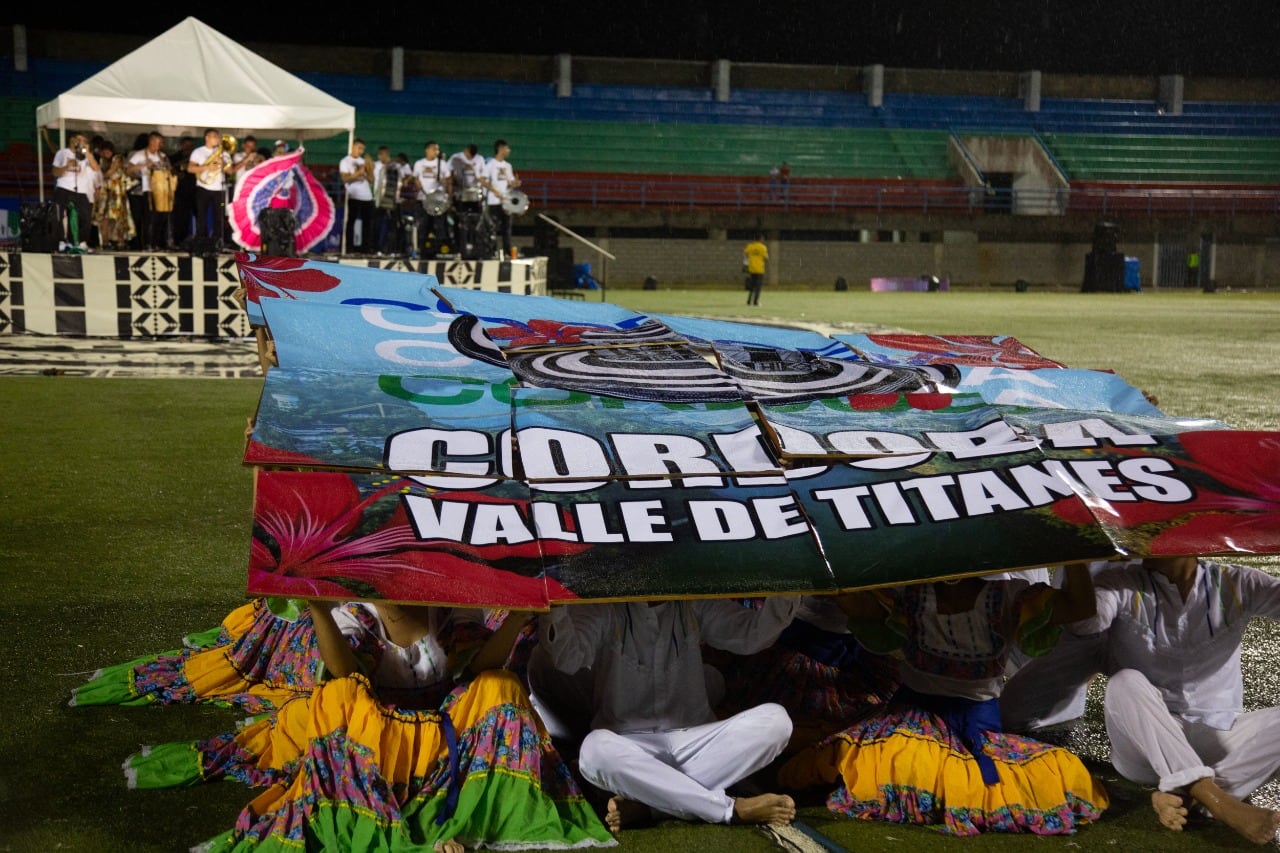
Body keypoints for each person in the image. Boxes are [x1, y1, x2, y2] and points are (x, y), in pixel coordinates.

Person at [120, 600, 615, 852]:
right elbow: (345, 674)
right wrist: (316, 608)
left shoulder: (448, 608)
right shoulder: (356, 615)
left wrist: (518, 617)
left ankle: (466, 822)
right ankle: (376, 811)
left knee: (501, 686)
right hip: (378, 739)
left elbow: (476, 672)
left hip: (444, 735)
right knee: (341, 695)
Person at [777, 567, 1109, 836]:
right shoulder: (908, 594)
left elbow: (1080, 608)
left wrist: (1075, 558)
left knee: (1038, 778)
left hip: (977, 730)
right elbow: (854, 602)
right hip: (911, 718)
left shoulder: (1009, 595)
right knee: (896, 762)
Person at [538, 597, 801, 834]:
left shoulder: (693, 601)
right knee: (593, 752)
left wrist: (787, 590)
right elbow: (569, 659)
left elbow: (751, 635)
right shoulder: (606, 605)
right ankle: (729, 810)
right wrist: (555, 607)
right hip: (629, 746)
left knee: (776, 722)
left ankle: (652, 804)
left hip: (694, 742)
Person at [1069, 555, 1280, 845]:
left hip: (1215, 735)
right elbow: (1086, 625)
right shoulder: (1121, 580)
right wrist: (1074, 560)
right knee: (1125, 682)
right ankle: (1220, 803)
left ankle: (1187, 797)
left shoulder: (1240, 581)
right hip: (1144, 745)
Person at [51, 131, 99, 251]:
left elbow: (95, 167)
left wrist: (87, 152)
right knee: (59, 215)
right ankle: (61, 241)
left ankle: (79, 241)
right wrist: (66, 166)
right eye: (79, 139)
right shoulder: (62, 153)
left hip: (80, 190)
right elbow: (54, 172)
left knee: (85, 217)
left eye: (84, 140)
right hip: (64, 187)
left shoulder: (84, 154)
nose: (81, 142)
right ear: (72, 140)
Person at [127, 131, 174, 251]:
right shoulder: (140, 154)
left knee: (161, 217)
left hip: (162, 190)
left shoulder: (162, 156)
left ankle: (157, 243)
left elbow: (170, 170)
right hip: (148, 189)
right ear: (151, 141)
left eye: (161, 143)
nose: (160, 145)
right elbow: (128, 169)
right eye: (158, 142)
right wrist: (143, 166)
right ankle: (146, 243)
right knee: (149, 218)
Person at [187, 128, 232, 243]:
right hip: (203, 188)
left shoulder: (224, 153)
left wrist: (224, 164)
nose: (217, 139)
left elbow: (230, 171)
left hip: (219, 190)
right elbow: (190, 168)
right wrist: (207, 167)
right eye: (215, 136)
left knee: (219, 216)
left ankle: (218, 241)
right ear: (207, 138)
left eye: (218, 137)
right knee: (201, 215)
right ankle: (201, 240)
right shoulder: (198, 152)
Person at [479, 138, 520, 258]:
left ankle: (507, 252)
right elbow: (482, 180)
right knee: (492, 228)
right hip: (494, 201)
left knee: (507, 228)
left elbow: (510, 182)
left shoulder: (508, 166)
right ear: (500, 149)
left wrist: (515, 183)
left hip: (506, 201)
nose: (509, 150)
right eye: (507, 148)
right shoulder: (491, 164)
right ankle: (492, 251)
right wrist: (493, 190)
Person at [411, 139, 453, 257]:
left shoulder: (442, 164)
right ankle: (422, 249)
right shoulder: (419, 164)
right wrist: (417, 183)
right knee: (423, 225)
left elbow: (449, 180)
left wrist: (446, 189)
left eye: (437, 149)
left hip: (438, 199)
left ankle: (440, 249)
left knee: (440, 225)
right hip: (423, 198)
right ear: (427, 150)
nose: (436, 151)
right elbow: (415, 178)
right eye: (434, 149)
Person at [93, 140, 135, 251]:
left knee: (119, 218)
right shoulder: (100, 161)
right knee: (104, 219)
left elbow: (109, 173)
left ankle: (120, 242)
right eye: (104, 151)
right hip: (104, 192)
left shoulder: (118, 158)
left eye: (108, 151)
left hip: (116, 192)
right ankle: (105, 242)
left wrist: (101, 175)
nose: (106, 153)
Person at [339, 138, 375, 255]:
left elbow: (371, 180)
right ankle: (349, 247)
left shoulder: (363, 161)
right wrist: (358, 173)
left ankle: (366, 248)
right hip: (354, 195)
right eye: (359, 148)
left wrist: (370, 169)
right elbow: (345, 179)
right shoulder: (345, 161)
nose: (360, 151)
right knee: (351, 222)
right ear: (352, 147)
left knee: (368, 224)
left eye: (362, 149)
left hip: (367, 196)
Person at [371, 144, 403, 256]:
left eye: (385, 155)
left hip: (392, 200)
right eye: (381, 155)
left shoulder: (395, 166)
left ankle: (391, 249)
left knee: (392, 226)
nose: (382, 157)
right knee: (377, 225)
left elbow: (400, 180)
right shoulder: (375, 166)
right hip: (378, 200)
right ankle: (377, 249)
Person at [169, 135, 197, 246]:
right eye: (186, 145)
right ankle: (178, 241)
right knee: (180, 217)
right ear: (181, 145)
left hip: (195, 191)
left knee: (199, 217)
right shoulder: (175, 157)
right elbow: (169, 169)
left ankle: (200, 240)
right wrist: (176, 173)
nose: (188, 147)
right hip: (180, 191)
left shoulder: (197, 157)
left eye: (190, 145)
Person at [743, 232, 768, 306]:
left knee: (752, 286)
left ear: (754, 239)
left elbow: (744, 253)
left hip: (752, 268)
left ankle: (749, 301)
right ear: (761, 239)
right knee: (758, 287)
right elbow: (766, 258)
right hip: (759, 269)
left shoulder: (750, 246)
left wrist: (747, 261)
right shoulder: (763, 247)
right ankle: (755, 302)